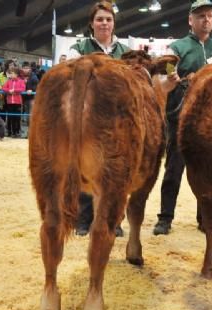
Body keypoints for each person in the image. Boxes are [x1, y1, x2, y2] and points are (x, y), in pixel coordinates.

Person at [152, 0, 212, 235]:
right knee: (173, 169)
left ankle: (205, 219)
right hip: (179, 119)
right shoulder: (176, 49)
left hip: (209, 122)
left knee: (206, 172)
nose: (206, 20)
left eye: (209, 16)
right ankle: (165, 218)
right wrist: (171, 80)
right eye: (201, 16)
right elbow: (164, 81)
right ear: (190, 20)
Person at [68, 0, 130, 237]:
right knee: (85, 169)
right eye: (100, 19)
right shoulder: (79, 47)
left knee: (115, 172)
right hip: (86, 118)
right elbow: (68, 75)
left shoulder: (124, 51)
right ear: (91, 23)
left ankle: (114, 220)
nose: (104, 23)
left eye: (108, 19)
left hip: (117, 120)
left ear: (114, 23)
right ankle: (84, 219)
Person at [2, 66, 25, 137]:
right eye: (10, 73)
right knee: (9, 117)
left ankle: (16, 132)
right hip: (10, 102)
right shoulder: (8, 81)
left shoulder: (21, 81)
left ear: (16, 74)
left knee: (17, 118)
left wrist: (14, 90)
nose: (11, 75)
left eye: (12, 73)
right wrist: (9, 90)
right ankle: (9, 132)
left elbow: (23, 88)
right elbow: (3, 88)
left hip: (17, 102)